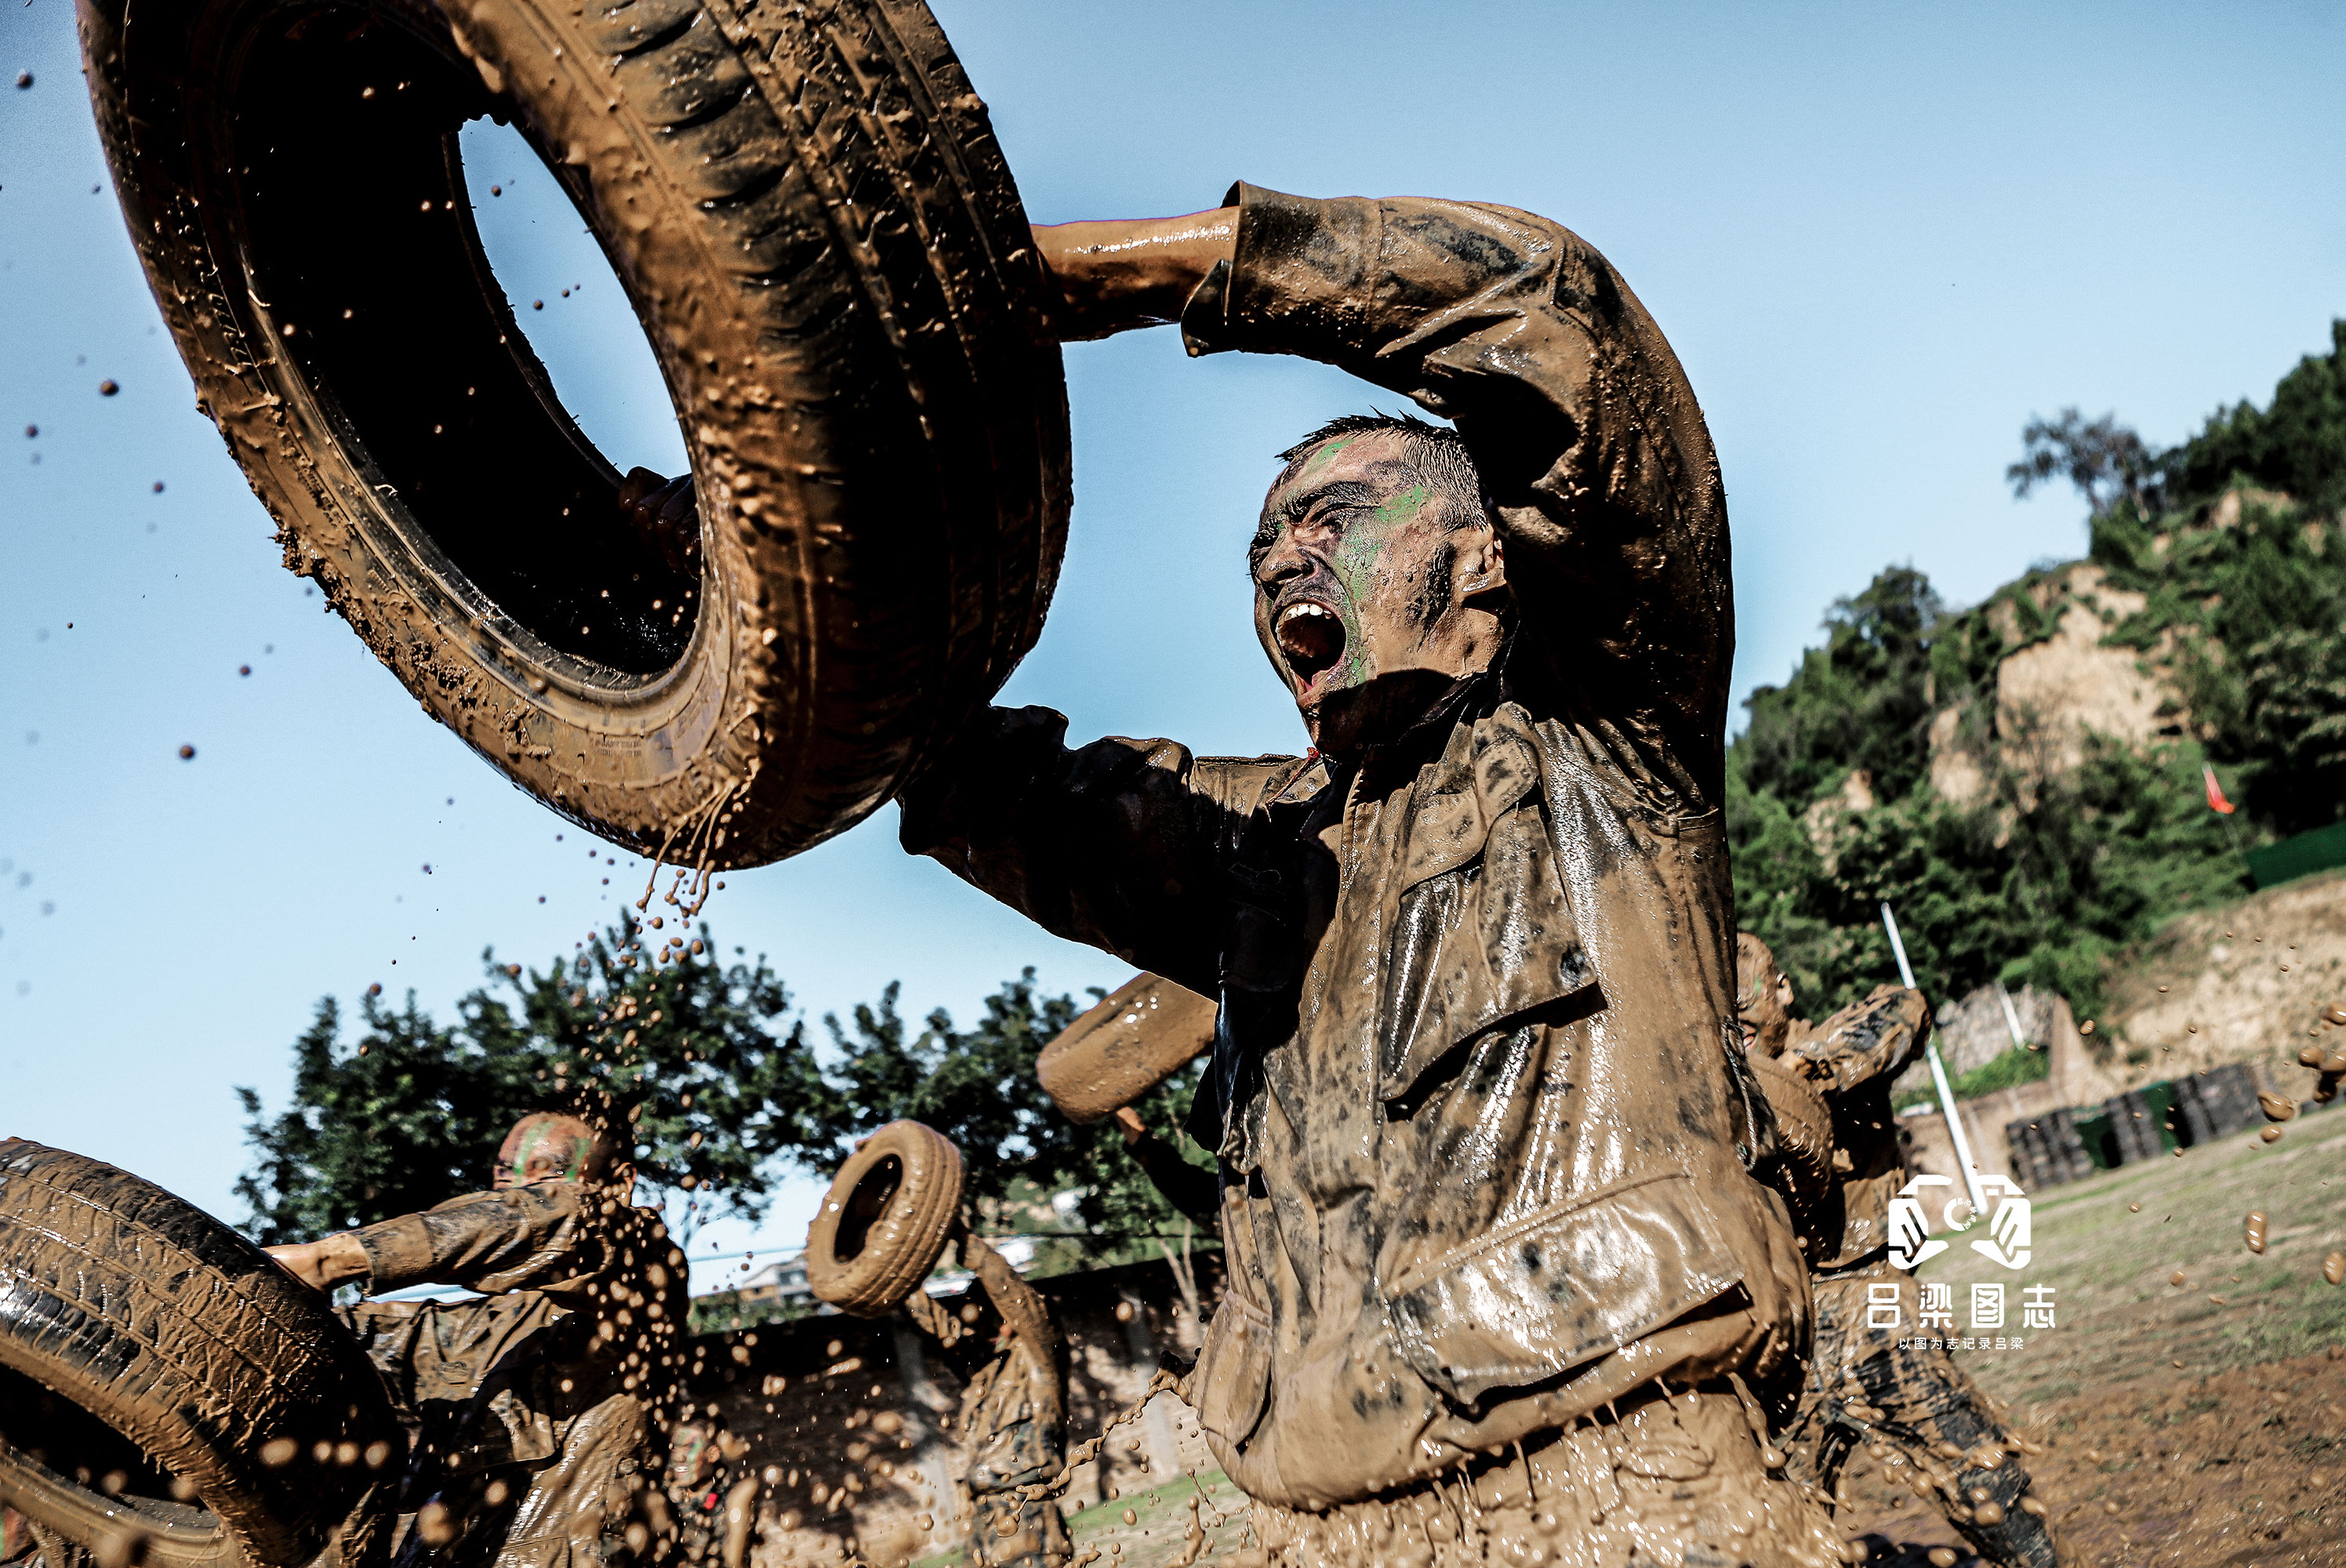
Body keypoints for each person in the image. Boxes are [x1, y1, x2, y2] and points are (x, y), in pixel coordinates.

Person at [630, 187, 1831, 1565]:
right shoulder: (1263, 849)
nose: (1285, 560)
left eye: (1338, 517)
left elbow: (1561, 330)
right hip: (1327, 1524)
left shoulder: (1603, 745)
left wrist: (1131, 280)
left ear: (1483, 552)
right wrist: (736, 591)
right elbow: (975, 777)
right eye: (1265, 547)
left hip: (1623, 1487)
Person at [1736, 935, 2069, 1568]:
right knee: (1780, 1528)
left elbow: (1906, 1007)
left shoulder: (1836, 1044)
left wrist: (1794, 1074)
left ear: (1782, 990)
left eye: (1747, 992)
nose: (1737, 1015)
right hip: (1784, 1336)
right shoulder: (1719, 1089)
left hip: (1876, 1309)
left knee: (1986, 1488)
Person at [267, 1112, 689, 1568]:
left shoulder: (645, 1270)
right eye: (505, 1175)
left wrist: (330, 1260)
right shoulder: (482, 1325)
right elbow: (364, 1337)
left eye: (548, 1174)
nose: (518, 1192)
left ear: (621, 1182)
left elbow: (574, 1217)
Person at [899, 1231, 1071, 1568]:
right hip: (983, 1518)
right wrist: (897, 1275)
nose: (981, 1327)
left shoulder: (1040, 1356)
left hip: (1027, 1513)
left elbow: (1019, 1299)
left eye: (990, 1316)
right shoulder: (983, 1372)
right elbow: (939, 1328)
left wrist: (966, 1243)